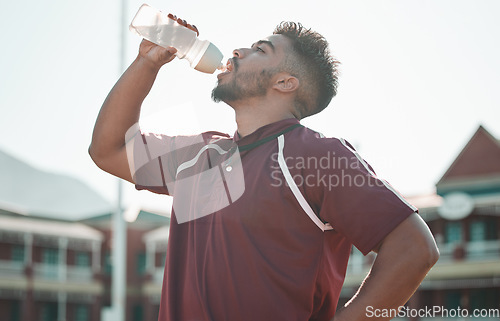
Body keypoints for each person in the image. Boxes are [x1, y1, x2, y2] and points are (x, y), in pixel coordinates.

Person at [89, 17, 439, 321]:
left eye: (261, 49)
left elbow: (415, 248)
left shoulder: (318, 156)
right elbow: (108, 150)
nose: (237, 51)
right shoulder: (199, 156)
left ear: (285, 83)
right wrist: (146, 63)